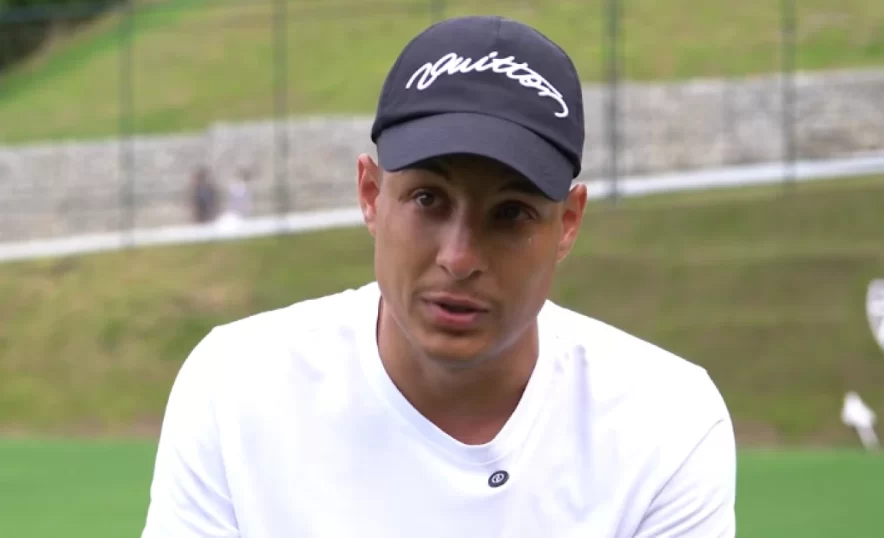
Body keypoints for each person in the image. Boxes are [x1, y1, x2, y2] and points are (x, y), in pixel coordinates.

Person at [141, 15, 736, 538]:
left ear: (569, 223)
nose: (459, 256)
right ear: (371, 194)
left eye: (510, 213)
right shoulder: (236, 388)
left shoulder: (664, 426)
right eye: (428, 198)